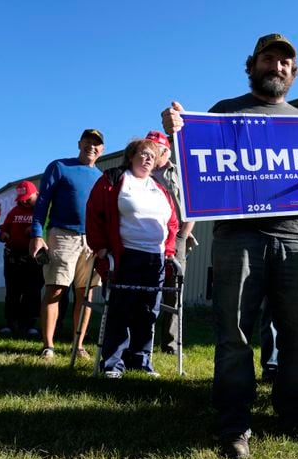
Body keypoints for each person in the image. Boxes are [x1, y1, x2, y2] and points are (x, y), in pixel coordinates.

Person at [161, 33, 298, 459]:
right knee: (235, 332)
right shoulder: (224, 112)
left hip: (296, 238)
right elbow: (194, 162)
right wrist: (175, 133)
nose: (277, 66)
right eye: (269, 58)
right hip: (238, 237)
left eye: (284, 62)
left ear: (292, 73)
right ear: (253, 64)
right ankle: (234, 425)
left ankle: (295, 415)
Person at [86, 139, 179, 379]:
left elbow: (172, 224)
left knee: (149, 310)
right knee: (120, 308)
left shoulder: (159, 189)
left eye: (153, 155)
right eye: (144, 153)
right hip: (124, 255)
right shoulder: (113, 180)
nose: (148, 158)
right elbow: (94, 213)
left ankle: (140, 359)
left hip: (155, 258)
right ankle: (113, 363)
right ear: (131, 156)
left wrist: (169, 252)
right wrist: (101, 247)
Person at [30, 129, 105, 360]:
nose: (91, 146)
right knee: (56, 288)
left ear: (102, 150)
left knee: (86, 294)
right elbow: (42, 201)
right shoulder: (60, 166)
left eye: (96, 144)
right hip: (62, 235)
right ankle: (48, 346)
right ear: (79, 143)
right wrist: (37, 234)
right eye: (88, 142)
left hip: (92, 241)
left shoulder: (102, 177)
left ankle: (78, 345)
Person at [145, 130, 197, 356]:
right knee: (146, 287)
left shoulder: (181, 172)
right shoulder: (141, 171)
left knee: (173, 289)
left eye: (158, 149)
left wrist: (183, 236)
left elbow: (193, 205)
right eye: (150, 148)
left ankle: (170, 344)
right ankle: (142, 340)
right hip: (146, 236)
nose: (154, 154)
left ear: (168, 150)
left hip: (175, 238)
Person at [0, 180, 43, 336]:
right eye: (22, 199)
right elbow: (3, 230)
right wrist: (4, 235)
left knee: (33, 292)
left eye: (28, 198)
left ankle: (29, 324)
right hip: (13, 257)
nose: (25, 201)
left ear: (35, 194)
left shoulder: (42, 211)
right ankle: (10, 323)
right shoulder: (14, 211)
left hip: (33, 258)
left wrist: (36, 230)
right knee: (12, 292)